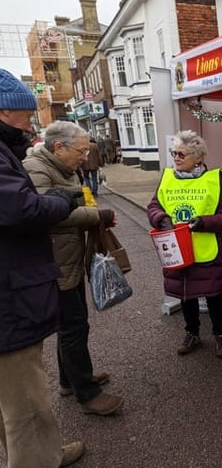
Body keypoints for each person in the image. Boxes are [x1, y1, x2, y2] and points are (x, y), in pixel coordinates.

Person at [0, 68, 85, 467]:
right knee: (25, 396)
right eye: (25, 113)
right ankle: (38, 458)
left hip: (13, 285)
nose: (30, 121)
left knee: (13, 396)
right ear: (4, 112)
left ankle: (40, 451)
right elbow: (23, 209)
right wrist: (64, 202)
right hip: (9, 293)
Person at [23, 121, 125, 416]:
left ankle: (70, 379)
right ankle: (88, 394)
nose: (85, 156)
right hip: (55, 262)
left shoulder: (59, 167)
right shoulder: (36, 168)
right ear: (59, 147)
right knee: (74, 326)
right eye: (80, 151)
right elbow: (48, 214)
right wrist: (97, 215)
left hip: (65, 259)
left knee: (71, 325)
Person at [147, 130, 222, 356]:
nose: (176, 158)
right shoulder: (167, 178)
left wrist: (204, 222)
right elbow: (154, 207)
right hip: (178, 250)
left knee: (213, 296)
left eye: (182, 154)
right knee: (187, 295)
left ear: (198, 158)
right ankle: (192, 333)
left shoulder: (214, 180)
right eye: (174, 153)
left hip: (206, 249)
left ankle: (220, 335)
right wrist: (161, 219)